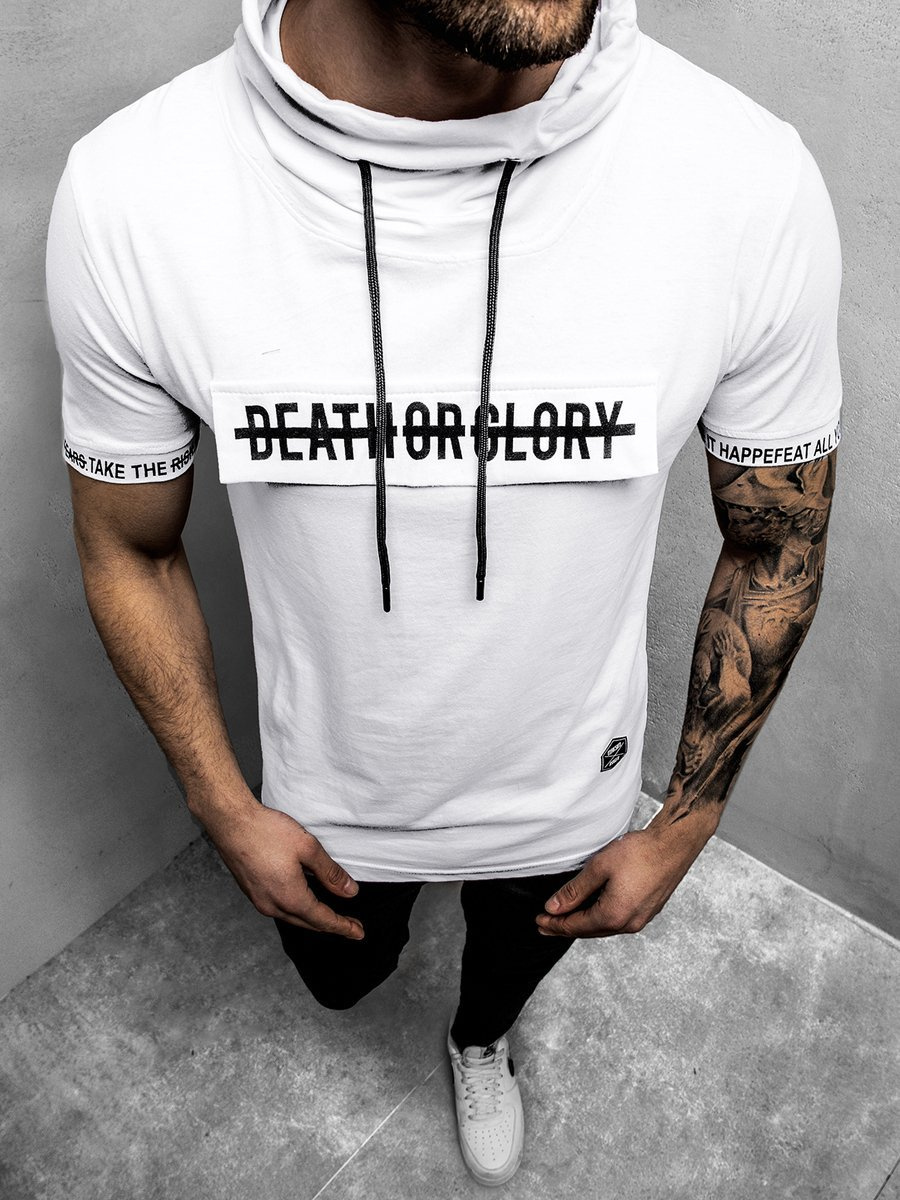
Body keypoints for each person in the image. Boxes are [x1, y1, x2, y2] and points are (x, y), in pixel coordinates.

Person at [45, 0, 841, 1186]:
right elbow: (131, 548)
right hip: (326, 805)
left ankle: (478, 1040)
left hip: (570, 797)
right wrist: (223, 807)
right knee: (341, 978)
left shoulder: (744, 179)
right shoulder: (136, 193)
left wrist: (688, 817)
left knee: (507, 975)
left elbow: (776, 539)